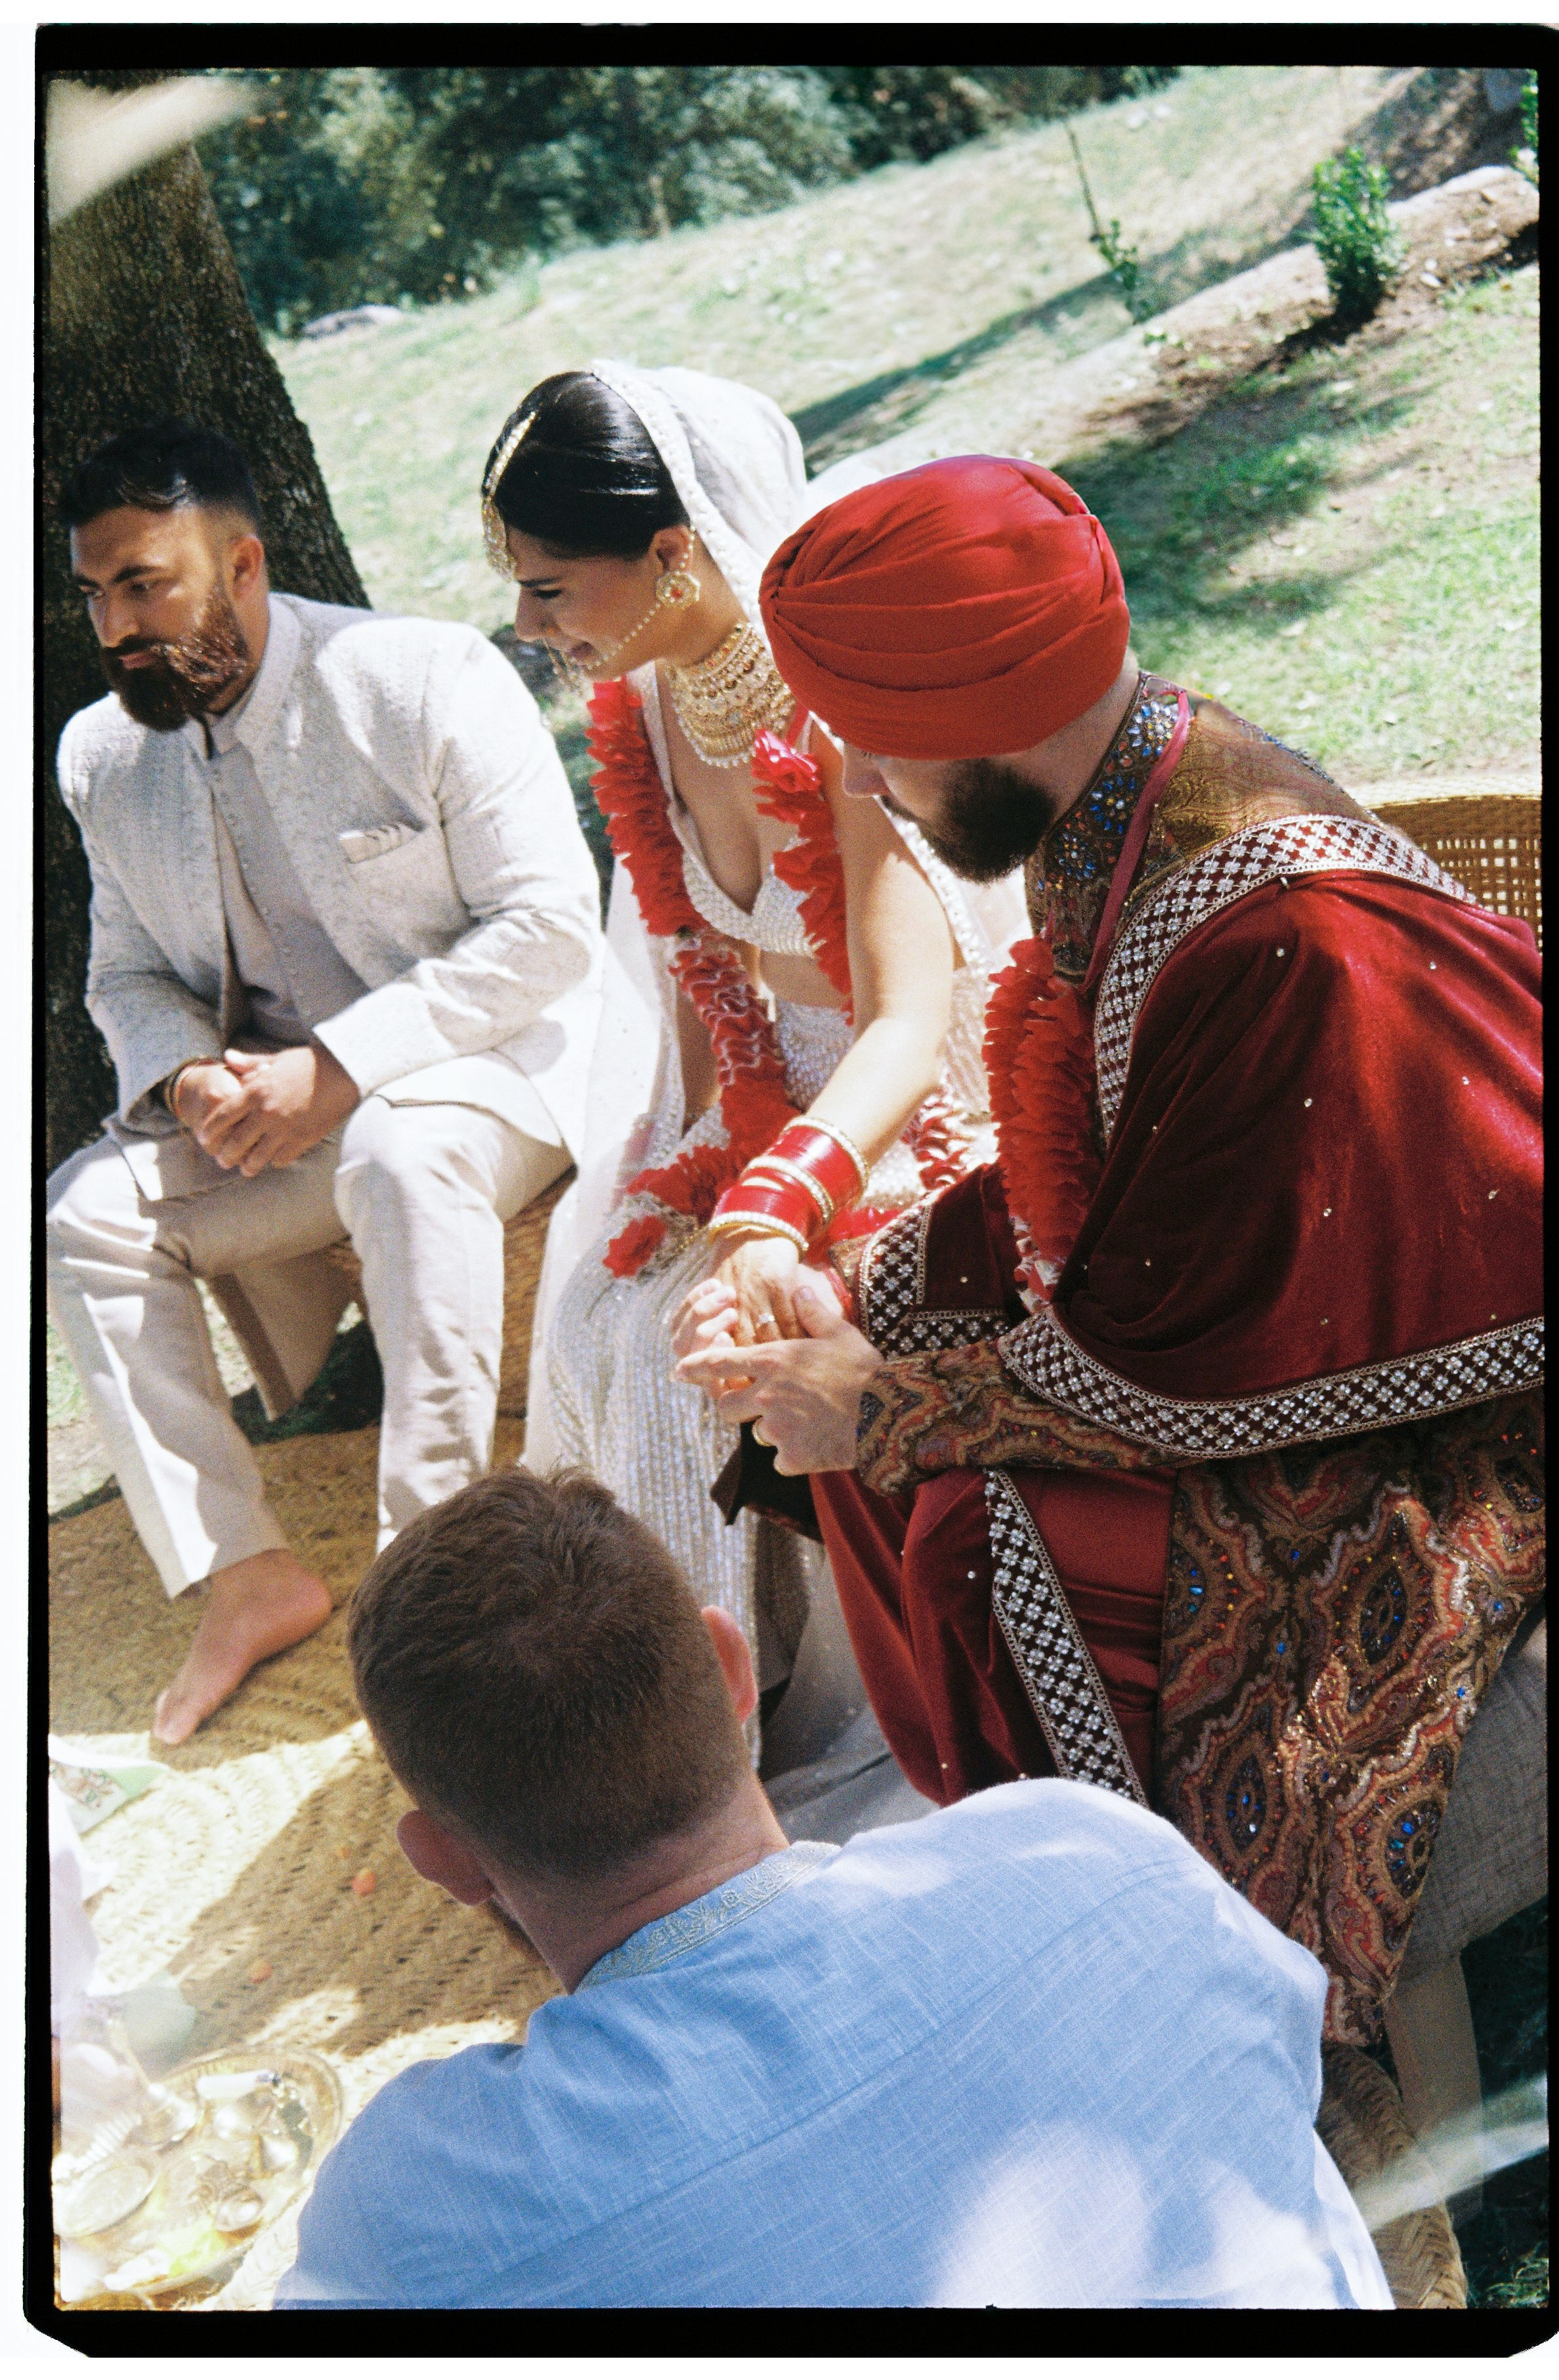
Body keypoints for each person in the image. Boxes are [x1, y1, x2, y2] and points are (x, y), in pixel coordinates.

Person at [674, 454, 1545, 2049]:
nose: (858, 784)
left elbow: (1197, 1344)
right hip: (1293, 1321)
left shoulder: (1278, 940)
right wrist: (853, 1292)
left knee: (985, 1530)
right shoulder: (1123, 790)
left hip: (1452, 1414)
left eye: (873, 740)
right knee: (895, 1298)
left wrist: (881, 1405)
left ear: (980, 703)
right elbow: (1138, 1194)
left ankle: (1173, 1980)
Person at [275, 1467, 1391, 2310]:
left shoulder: (417, 2214)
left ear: (443, 1857)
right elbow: (1282, 2060)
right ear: (728, 1673)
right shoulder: (1085, 1849)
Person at [46, 421, 604, 1745]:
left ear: (242, 565)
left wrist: (342, 1067)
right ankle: (249, 1577)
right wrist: (188, 1084)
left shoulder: (421, 677)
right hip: (283, 1132)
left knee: (398, 1152)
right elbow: (125, 978)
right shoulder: (100, 757)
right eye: (94, 593)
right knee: (84, 1215)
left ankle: (438, 1580)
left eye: (147, 584)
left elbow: (550, 929)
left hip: (496, 1072)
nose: (117, 625)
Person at [485, 367, 1023, 1729]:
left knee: (724, 1332)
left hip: (910, 1111)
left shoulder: (840, 698)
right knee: (605, 1306)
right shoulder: (646, 699)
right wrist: (703, 1165)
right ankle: (663, 1721)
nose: (522, 620)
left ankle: (782, 1716)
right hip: (762, 1107)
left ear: (670, 555)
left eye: (547, 587)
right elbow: (691, 973)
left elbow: (909, 1024)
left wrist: (772, 1203)